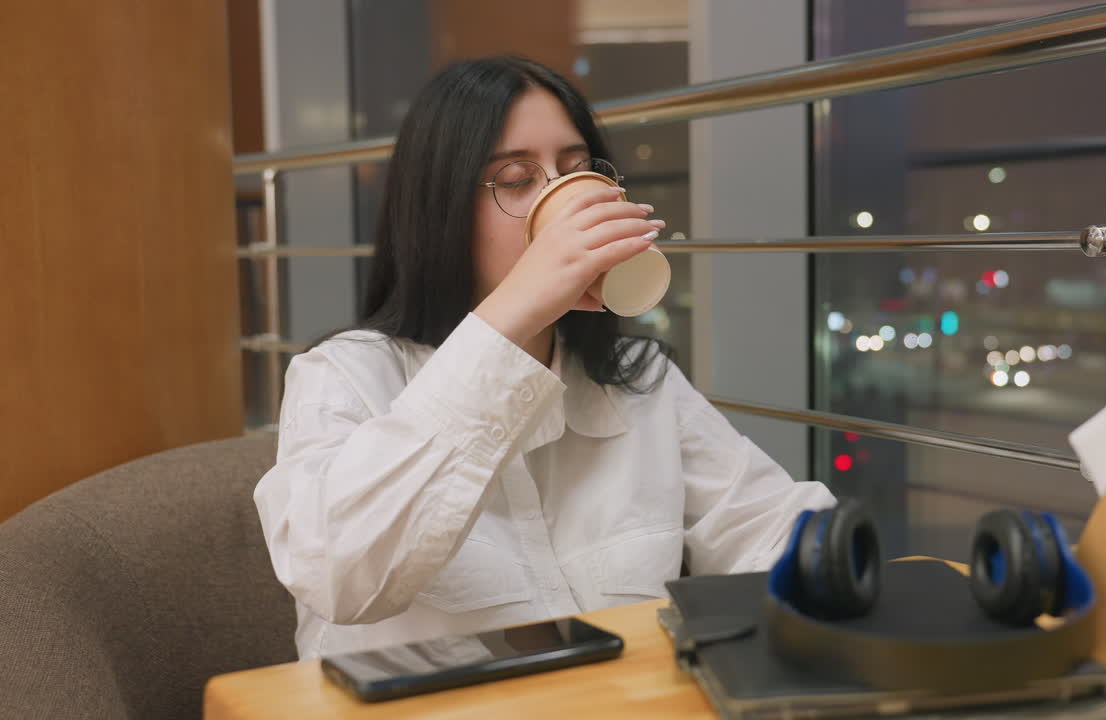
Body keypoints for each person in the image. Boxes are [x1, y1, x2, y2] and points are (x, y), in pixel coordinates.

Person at [253, 56, 836, 660]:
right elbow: (339, 581)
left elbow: (767, 528)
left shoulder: (639, 381)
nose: (562, 202)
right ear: (439, 207)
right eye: (514, 179)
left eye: (578, 172)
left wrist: (838, 566)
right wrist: (513, 313)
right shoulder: (345, 375)